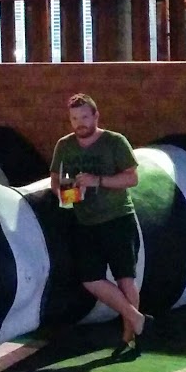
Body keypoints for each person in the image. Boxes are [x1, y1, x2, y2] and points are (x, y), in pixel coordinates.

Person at [50, 93, 151, 354]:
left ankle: (129, 336)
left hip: (118, 219)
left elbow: (132, 179)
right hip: (85, 222)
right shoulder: (64, 145)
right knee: (90, 279)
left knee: (125, 278)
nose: (80, 123)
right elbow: (56, 180)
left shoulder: (115, 142)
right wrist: (68, 194)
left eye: (84, 117)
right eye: (74, 118)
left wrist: (98, 181)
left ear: (96, 116)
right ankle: (136, 318)